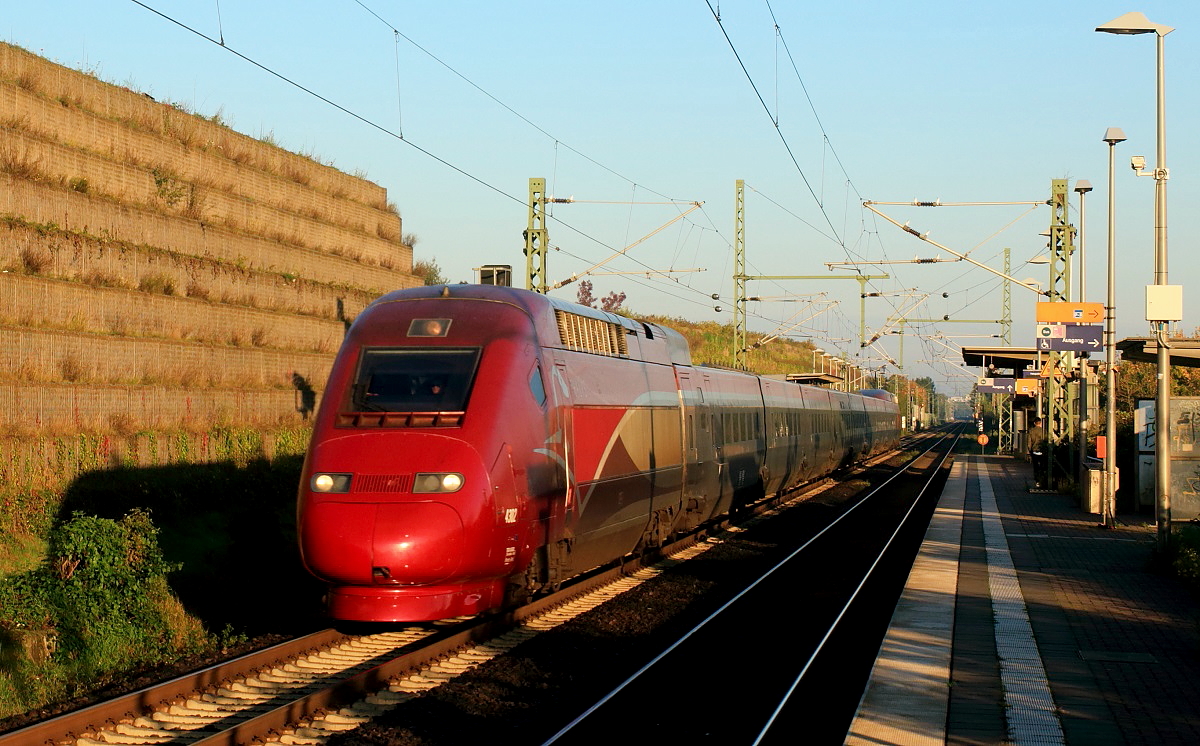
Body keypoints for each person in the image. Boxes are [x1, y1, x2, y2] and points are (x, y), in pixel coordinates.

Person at [1028, 417, 1047, 488]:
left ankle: (1037, 481)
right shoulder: (1043, 431)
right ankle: (1042, 479)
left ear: (1034, 423)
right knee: (1042, 466)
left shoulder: (1031, 431)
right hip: (1042, 451)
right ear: (1040, 423)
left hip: (1034, 451)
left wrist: (1030, 450)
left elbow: (1029, 442)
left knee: (1035, 467)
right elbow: (1046, 440)